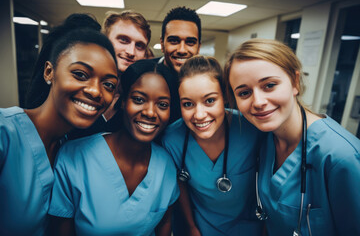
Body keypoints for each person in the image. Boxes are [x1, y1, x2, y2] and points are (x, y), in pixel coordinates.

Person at [225, 38, 360, 235]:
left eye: (269, 85)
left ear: (295, 82)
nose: (258, 102)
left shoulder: (342, 157)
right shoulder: (264, 139)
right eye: (244, 93)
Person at [0, 14, 118, 235]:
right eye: (80, 74)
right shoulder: (5, 133)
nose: (95, 91)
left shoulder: (71, 149)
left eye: (108, 84)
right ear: (49, 72)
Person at [48, 60, 179, 236]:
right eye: (139, 99)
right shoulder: (74, 157)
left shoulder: (166, 166)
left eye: (162, 104)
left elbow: (165, 224)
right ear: (123, 100)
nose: (150, 112)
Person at [162, 56, 264, 236]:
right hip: (201, 227)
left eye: (209, 100)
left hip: (249, 226)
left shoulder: (250, 129)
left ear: (224, 95)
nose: (199, 115)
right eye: (188, 104)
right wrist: (191, 227)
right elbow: (180, 185)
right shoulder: (172, 139)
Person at [69, 10, 152, 138]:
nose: (131, 52)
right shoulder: (77, 81)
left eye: (139, 46)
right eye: (123, 40)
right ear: (104, 39)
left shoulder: (139, 100)